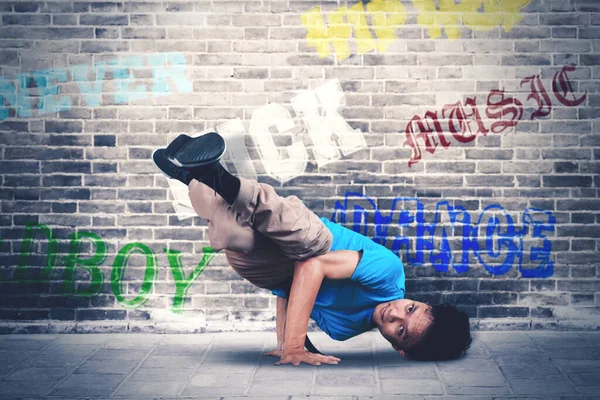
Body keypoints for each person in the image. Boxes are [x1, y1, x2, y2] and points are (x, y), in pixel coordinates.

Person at [152, 132, 472, 366]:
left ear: (398, 348)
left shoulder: (342, 331)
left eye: (400, 330)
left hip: (276, 271)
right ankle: (216, 178)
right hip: (308, 239)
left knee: (234, 235)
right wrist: (294, 345)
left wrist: (284, 343)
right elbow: (312, 266)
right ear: (420, 300)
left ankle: (194, 176)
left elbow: (288, 292)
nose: (395, 314)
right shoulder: (389, 274)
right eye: (411, 308)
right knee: (296, 231)